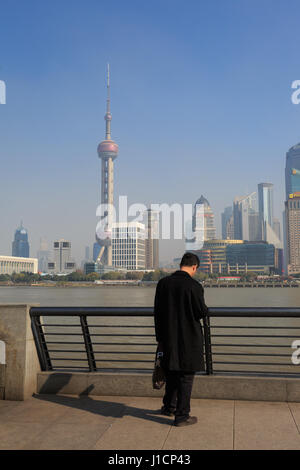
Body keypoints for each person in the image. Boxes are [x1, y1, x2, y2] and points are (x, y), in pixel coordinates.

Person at [154, 252, 208, 427]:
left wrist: (160, 338)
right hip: (188, 339)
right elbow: (201, 311)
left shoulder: (163, 284)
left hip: (167, 337)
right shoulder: (194, 286)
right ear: (194, 267)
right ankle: (182, 416)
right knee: (185, 377)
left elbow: (157, 312)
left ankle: (169, 407)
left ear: (181, 265)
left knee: (171, 373)